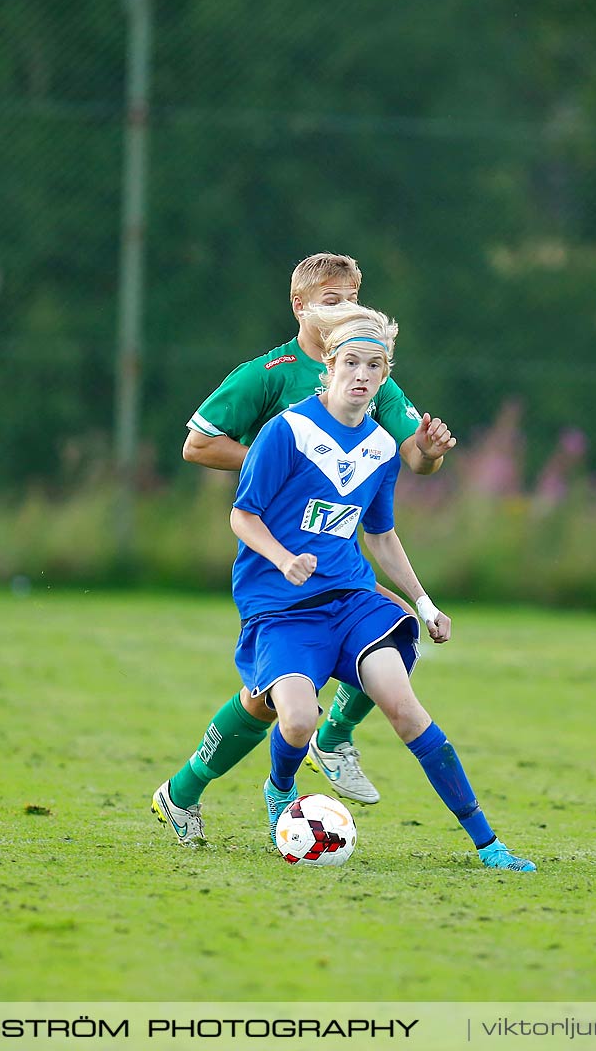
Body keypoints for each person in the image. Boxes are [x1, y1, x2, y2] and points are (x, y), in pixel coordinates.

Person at [152, 255, 455, 842]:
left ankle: (332, 734)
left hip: (337, 562)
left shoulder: (372, 372)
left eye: (355, 298)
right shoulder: (269, 374)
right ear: (300, 306)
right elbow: (197, 446)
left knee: (387, 627)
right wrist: (287, 466)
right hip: (277, 561)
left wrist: (429, 445)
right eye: (333, 301)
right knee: (269, 704)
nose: (348, 311)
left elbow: (414, 460)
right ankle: (187, 789)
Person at [225, 302, 533, 871]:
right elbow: (244, 516)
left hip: (349, 601)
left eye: (374, 365)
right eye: (352, 363)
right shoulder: (284, 431)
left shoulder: (383, 449)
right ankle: (280, 788)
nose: (362, 375)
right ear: (330, 366)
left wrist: (424, 602)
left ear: (386, 375)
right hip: (282, 606)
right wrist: (285, 557)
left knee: (406, 708)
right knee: (297, 720)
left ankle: (490, 844)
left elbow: (382, 536)